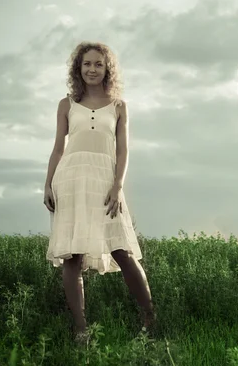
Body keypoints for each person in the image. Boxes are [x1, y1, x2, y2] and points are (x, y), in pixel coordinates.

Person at [43, 42, 157, 346]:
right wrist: (47, 184)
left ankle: (150, 318)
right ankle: (81, 329)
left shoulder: (119, 105)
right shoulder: (66, 105)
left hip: (105, 181)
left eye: (98, 64)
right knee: (73, 255)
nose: (92, 69)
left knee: (122, 250)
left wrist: (118, 185)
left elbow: (124, 150)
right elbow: (58, 148)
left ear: (108, 69)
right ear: (78, 69)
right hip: (70, 179)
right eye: (86, 64)